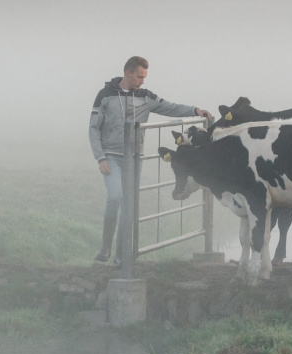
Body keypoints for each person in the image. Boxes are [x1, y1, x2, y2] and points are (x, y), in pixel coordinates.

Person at [88, 56, 211, 263]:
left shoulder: (146, 96)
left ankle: (121, 258)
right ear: (127, 72)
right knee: (115, 196)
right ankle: (105, 247)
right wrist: (100, 157)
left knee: (129, 207)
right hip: (112, 155)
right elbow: (93, 127)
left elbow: (170, 107)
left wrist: (195, 111)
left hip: (135, 157)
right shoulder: (105, 95)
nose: (142, 81)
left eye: (144, 77)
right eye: (139, 76)